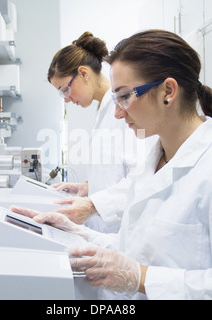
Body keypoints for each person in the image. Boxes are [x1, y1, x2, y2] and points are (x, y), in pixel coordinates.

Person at [13, 29, 212, 299]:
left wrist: (141, 278)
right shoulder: (152, 166)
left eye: (125, 96)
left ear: (168, 91)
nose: (119, 113)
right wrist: (77, 233)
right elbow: (133, 248)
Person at [47, 31, 153, 233]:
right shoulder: (102, 109)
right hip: (105, 231)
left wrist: (92, 205)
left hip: (124, 231)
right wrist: (89, 187)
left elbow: (142, 176)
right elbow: (114, 170)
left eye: (65, 90)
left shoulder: (125, 111)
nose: (66, 99)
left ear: (84, 73)